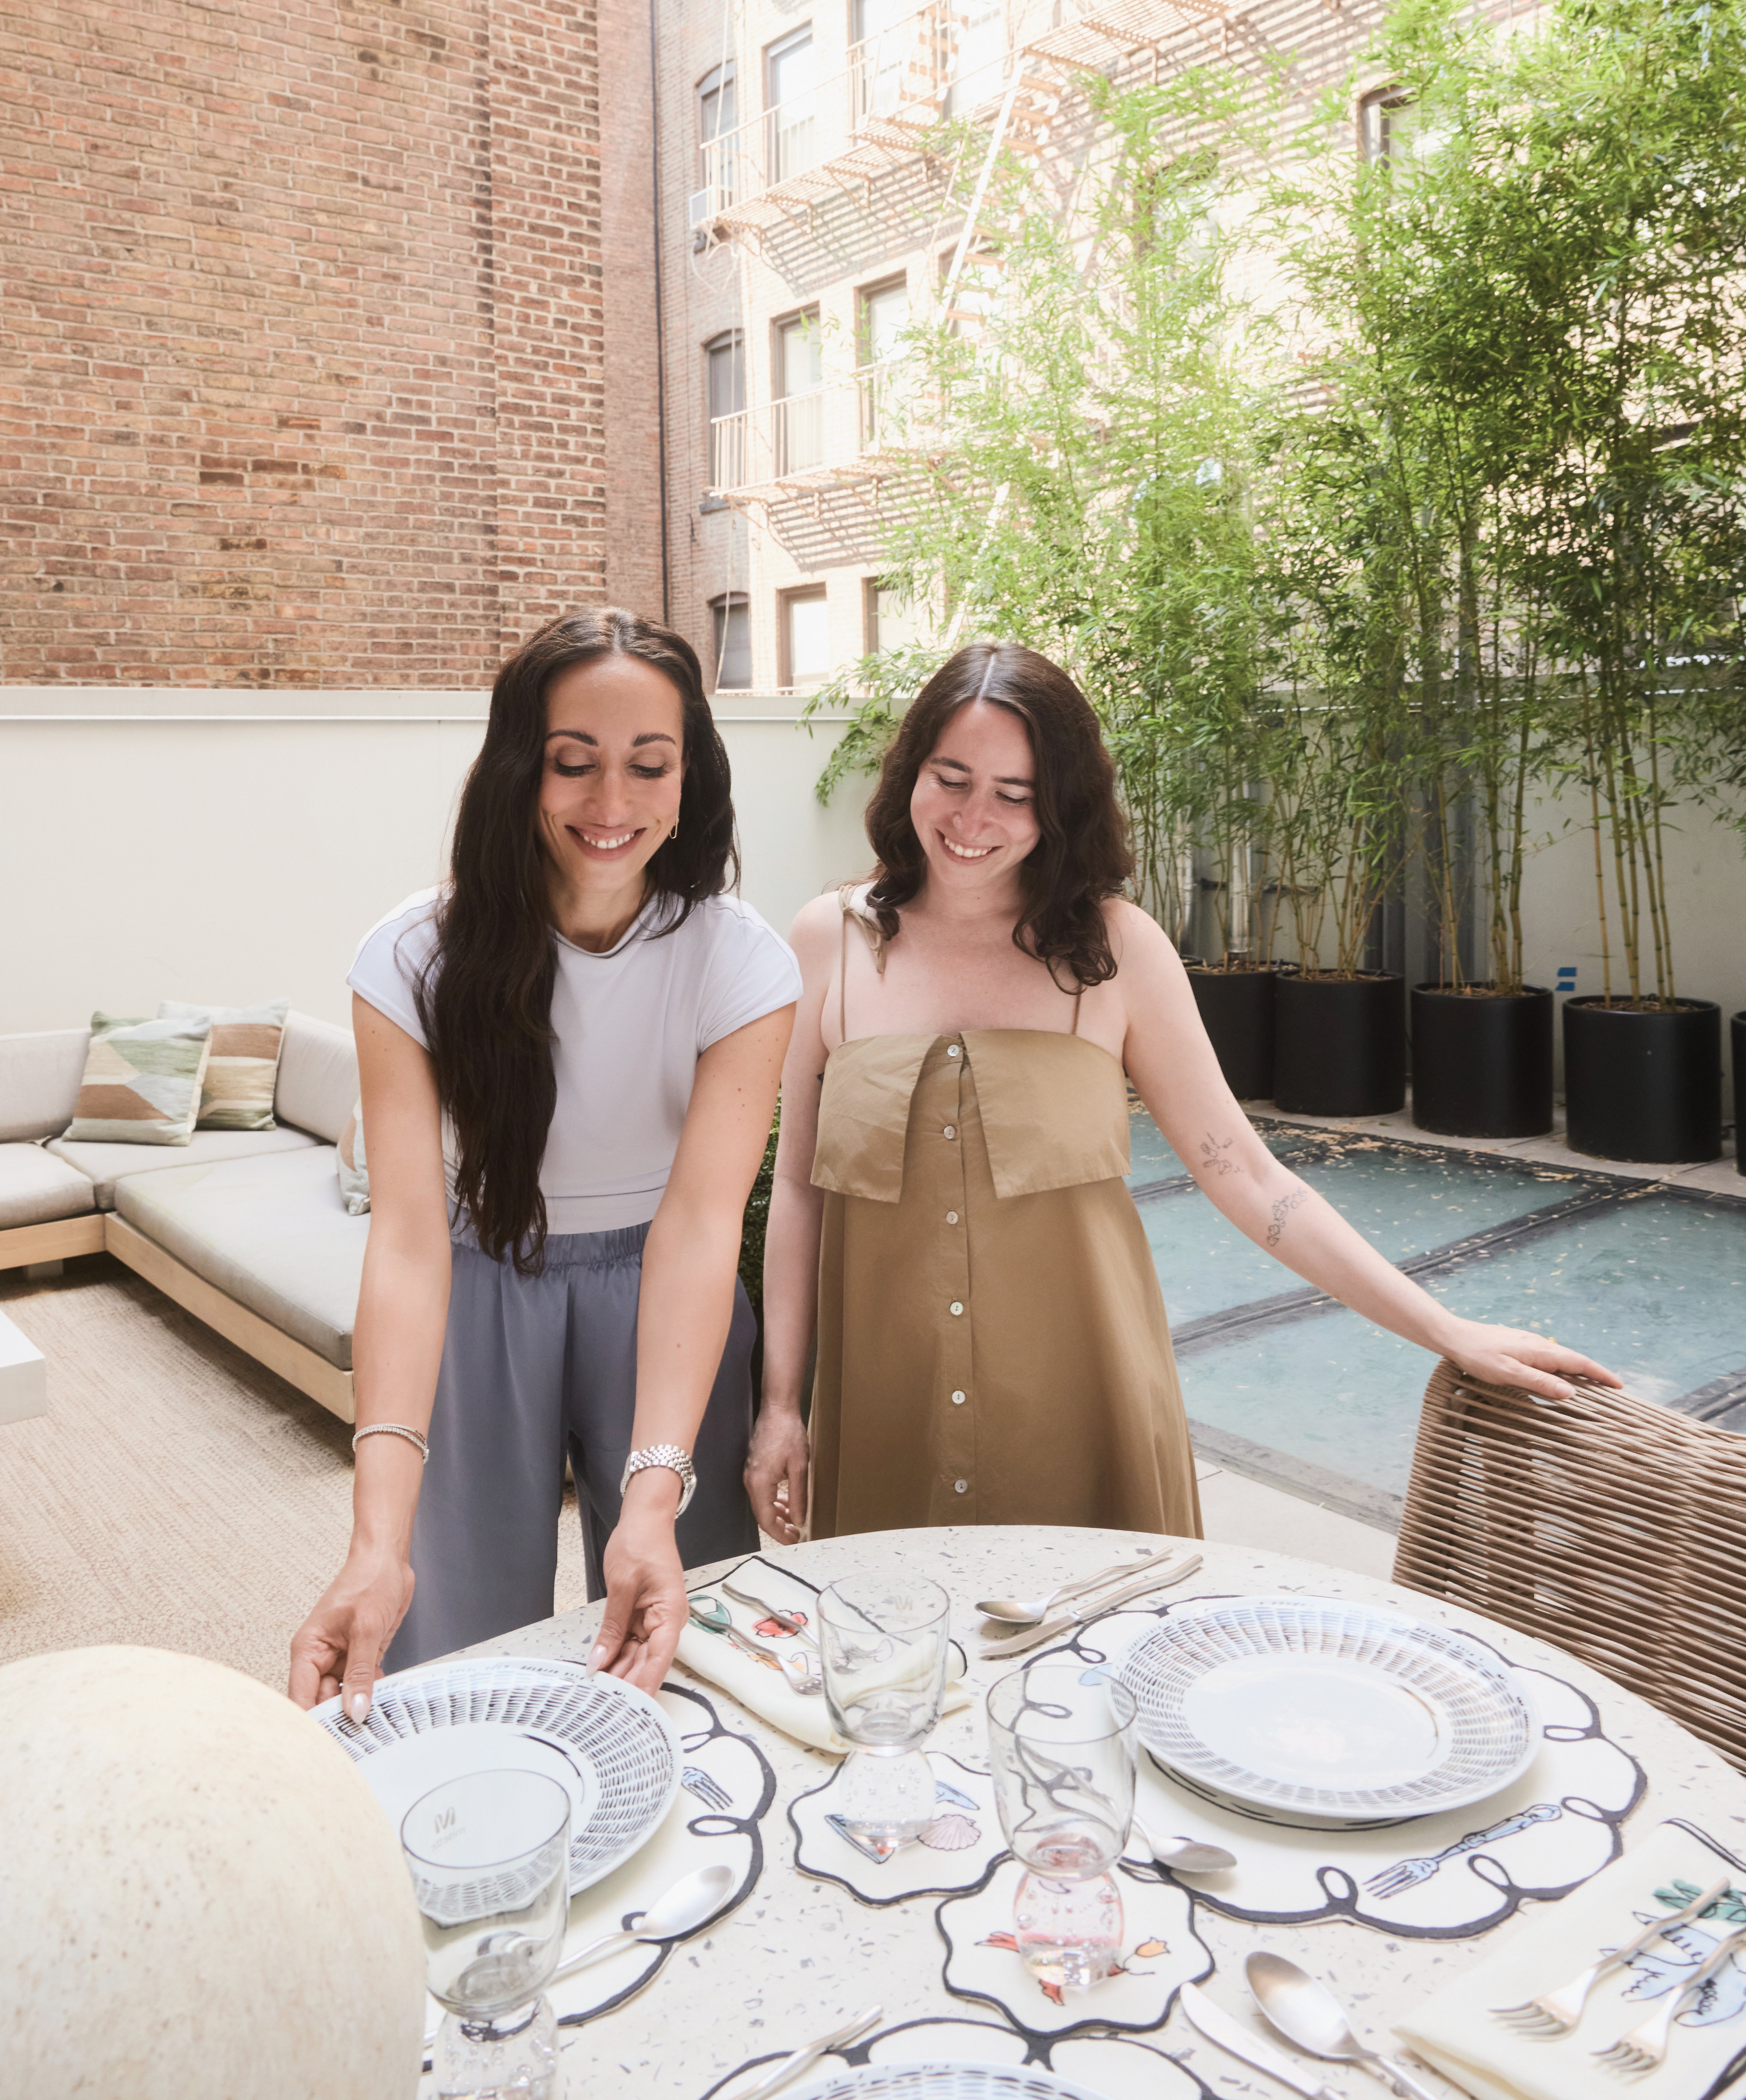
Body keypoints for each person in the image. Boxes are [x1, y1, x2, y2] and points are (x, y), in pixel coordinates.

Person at [744, 640, 1617, 1545]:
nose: (974, 818)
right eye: (951, 778)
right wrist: (780, 1406)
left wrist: (1444, 1328)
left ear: (1062, 805)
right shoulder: (830, 942)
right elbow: (802, 1189)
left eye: (1015, 794)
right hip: (886, 1405)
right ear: (909, 774)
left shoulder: (1117, 950)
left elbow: (1245, 1172)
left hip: (1085, 1410)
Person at [290, 608, 800, 1717]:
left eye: (647, 765)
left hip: (666, 1297)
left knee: (683, 1629)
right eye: (574, 764)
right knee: (452, 1641)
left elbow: (704, 1227)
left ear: (689, 776)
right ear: (523, 769)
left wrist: (654, 1496)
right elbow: (413, 1241)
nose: (611, 805)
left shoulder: (741, 960)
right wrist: (375, 1536)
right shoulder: (411, 958)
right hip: (479, 1290)